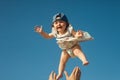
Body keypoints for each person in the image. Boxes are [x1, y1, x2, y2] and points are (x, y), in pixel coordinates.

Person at [35, 13, 93, 80]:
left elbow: (75, 34)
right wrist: (41, 32)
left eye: (61, 22)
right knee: (62, 61)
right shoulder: (55, 33)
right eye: (56, 23)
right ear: (53, 26)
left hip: (73, 45)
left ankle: (84, 60)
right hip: (65, 49)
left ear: (66, 24)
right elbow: (47, 36)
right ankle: (60, 73)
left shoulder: (69, 29)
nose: (58, 24)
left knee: (77, 51)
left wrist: (78, 35)